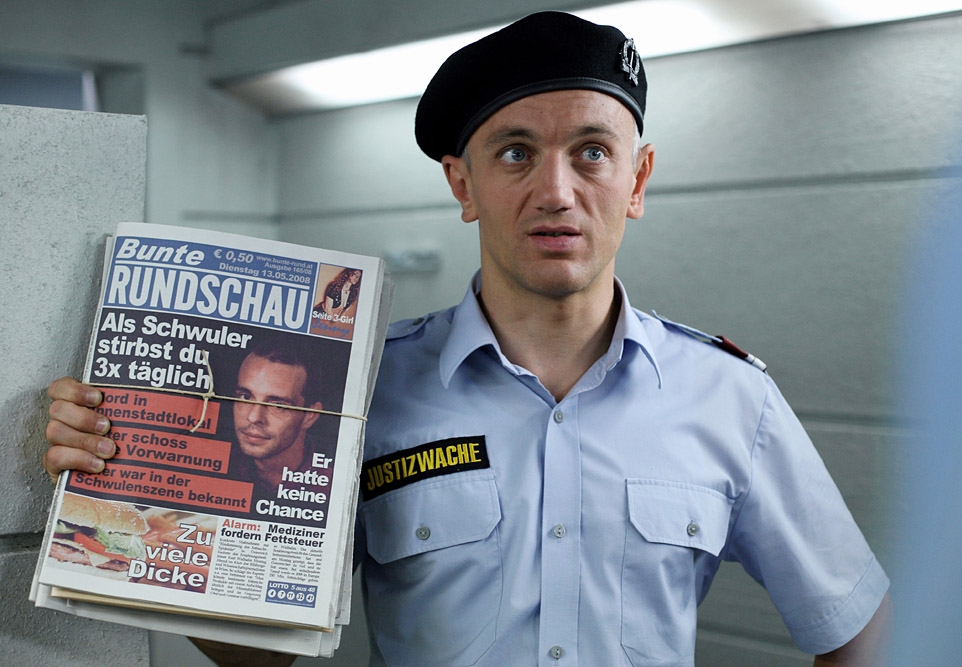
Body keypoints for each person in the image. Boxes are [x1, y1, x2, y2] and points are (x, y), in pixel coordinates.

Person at [43, 11, 891, 667]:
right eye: (515, 153)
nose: (556, 191)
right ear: (464, 184)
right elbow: (258, 655)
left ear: (636, 180)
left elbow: (859, 628)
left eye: (592, 152)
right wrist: (125, 468)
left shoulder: (731, 398)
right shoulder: (358, 390)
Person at [226, 336, 326, 494]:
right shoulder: (214, 465)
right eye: (246, 397)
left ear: (310, 415)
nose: (254, 417)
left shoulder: (331, 485)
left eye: (277, 405)